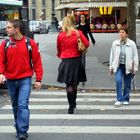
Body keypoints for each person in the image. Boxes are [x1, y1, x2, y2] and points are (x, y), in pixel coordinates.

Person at [0, 19, 43, 140]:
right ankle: (19, 127)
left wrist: (38, 79)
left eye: (9, 27)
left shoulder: (30, 43)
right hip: (11, 79)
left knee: (22, 105)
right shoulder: (5, 43)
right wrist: (0, 73)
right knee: (15, 106)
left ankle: (22, 131)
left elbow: (37, 62)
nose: (6, 29)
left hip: (25, 79)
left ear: (16, 29)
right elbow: (1, 60)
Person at [57, 15, 89, 114]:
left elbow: (58, 48)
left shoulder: (61, 35)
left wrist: (61, 54)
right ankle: (74, 102)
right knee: (75, 84)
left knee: (69, 85)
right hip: (77, 61)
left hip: (66, 61)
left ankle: (70, 106)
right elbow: (87, 43)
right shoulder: (78, 33)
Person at [109, 28, 139, 106]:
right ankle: (119, 99)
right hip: (118, 66)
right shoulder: (115, 43)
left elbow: (135, 56)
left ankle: (125, 98)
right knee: (118, 80)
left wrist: (135, 68)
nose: (121, 34)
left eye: (123, 32)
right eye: (120, 32)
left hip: (128, 66)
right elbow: (112, 55)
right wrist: (111, 67)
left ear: (126, 34)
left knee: (127, 84)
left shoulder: (131, 44)